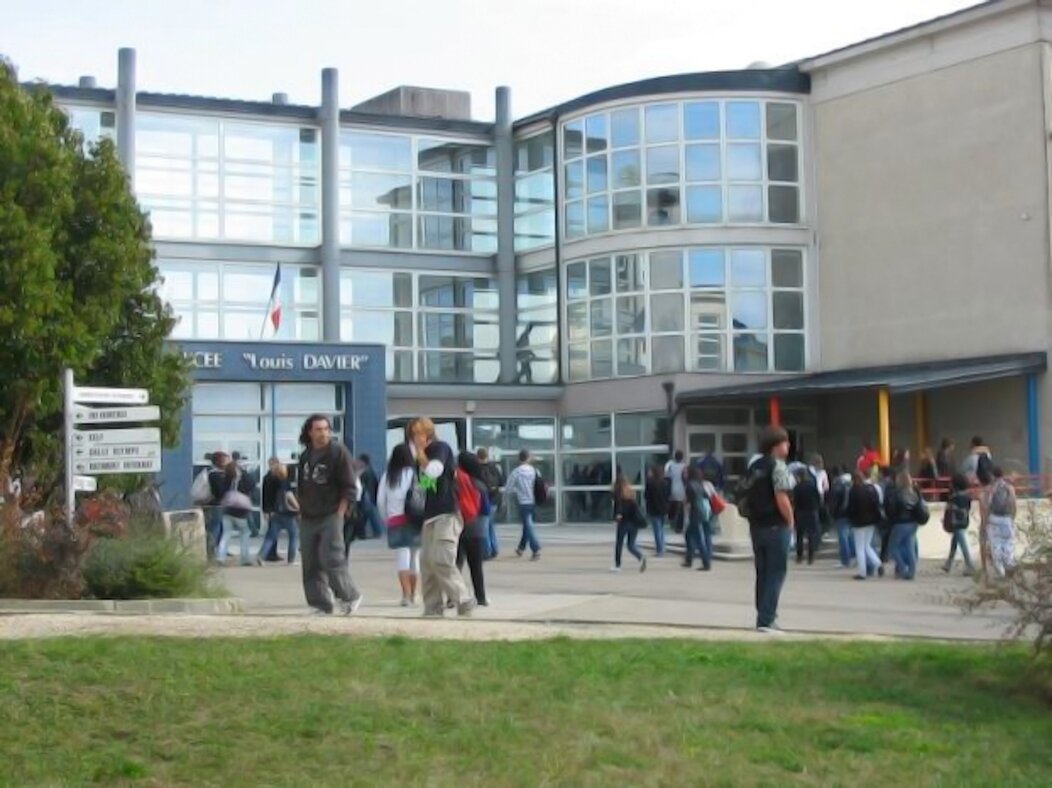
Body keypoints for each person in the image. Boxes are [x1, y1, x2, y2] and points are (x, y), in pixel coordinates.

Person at [406, 417, 475, 617]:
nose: (415, 438)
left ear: (428, 433)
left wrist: (420, 454)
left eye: (418, 433)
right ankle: (433, 607)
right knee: (427, 562)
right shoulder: (420, 457)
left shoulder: (440, 448)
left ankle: (463, 599)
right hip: (430, 515)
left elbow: (435, 472)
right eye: (413, 434)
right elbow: (427, 486)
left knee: (442, 559)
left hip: (447, 513)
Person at [296, 414, 363, 616]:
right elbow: (301, 485)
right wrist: (300, 509)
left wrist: (341, 511)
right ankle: (320, 604)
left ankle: (349, 596)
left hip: (331, 513)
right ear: (310, 432)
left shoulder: (338, 452)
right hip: (308, 515)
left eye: (326, 429)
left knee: (331, 558)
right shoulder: (306, 455)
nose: (323, 433)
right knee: (310, 561)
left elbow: (349, 485)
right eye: (318, 429)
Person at [741, 426, 795, 633]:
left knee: (762, 573)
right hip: (775, 525)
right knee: (776, 572)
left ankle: (762, 614)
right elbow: (782, 497)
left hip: (757, 526)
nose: (788, 445)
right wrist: (790, 521)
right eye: (785, 442)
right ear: (776, 446)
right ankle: (767, 618)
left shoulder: (754, 467)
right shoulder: (778, 466)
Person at [377, 443, 419, 607]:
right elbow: (432, 491)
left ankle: (405, 595)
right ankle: (415, 594)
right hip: (416, 519)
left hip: (396, 519)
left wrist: (386, 518)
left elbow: (380, 501)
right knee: (415, 557)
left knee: (403, 557)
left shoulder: (388, 475)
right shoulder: (418, 474)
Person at [456, 452, 490, 605]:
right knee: (476, 567)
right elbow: (486, 510)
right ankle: (481, 597)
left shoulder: (456, 482)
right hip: (475, 529)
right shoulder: (480, 485)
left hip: (456, 527)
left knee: (455, 565)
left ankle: (453, 597)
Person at [257, 457, 299, 566]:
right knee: (293, 536)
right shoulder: (285, 482)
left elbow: (265, 495)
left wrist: (266, 510)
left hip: (275, 512)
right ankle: (291, 560)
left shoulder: (267, 478)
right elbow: (289, 496)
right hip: (288, 513)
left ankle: (261, 556)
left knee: (271, 536)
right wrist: (298, 507)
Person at [885, 470, 927, 580]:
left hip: (900, 523)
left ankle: (902, 568)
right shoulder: (914, 492)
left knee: (893, 547)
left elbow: (893, 510)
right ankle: (911, 572)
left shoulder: (897, 494)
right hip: (913, 523)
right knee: (910, 547)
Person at [216, 460, 256, 566]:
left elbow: (221, 493)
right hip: (240, 512)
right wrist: (244, 471)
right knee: (245, 533)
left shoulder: (226, 479)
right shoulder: (242, 479)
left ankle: (221, 557)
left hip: (227, 511)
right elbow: (252, 484)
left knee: (226, 534)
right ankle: (245, 558)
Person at [504, 449, 542, 560]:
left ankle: (536, 549)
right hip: (533, 501)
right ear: (528, 458)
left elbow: (508, 487)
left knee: (528, 525)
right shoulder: (535, 471)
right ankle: (521, 548)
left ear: (519, 458)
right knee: (527, 525)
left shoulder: (516, 472)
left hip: (523, 501)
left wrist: (505, 500)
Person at [847, 470, 884, 580]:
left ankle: (862, 572)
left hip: (859, 522)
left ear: (854, 480)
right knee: (867, 545)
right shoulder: (871, 489)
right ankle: (878, 564)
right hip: (871, 521)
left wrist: (850, 519)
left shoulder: (854, 491)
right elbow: (876, 505)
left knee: (859, 547)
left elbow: (851, 508)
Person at [982, 467, 1017, 579]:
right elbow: (1013, 503)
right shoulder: (1009, 488)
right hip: (1007, 518)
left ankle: (1001, 572)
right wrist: (1012, 517)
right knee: (1008, 543)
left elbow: (986, 506)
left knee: (995, 545)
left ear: (992, 476)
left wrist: (985, 522)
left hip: (994, 519)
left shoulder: (990, 489)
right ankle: (1009, 566)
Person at [611, 471, 647, 573]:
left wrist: (617, 517)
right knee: (631, 545)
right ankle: (640, 557)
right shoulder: (631, 495)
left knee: (619, 544)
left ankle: (618, 565)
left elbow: (619, 511)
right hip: (634, 524)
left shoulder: (618, 496)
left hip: (624, 523)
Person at [942, 473, 975, 576]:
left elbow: (949, 508)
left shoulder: (954, 497)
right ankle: (949, 563)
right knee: (955, 542)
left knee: (962, 543)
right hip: (964, 520)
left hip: (955, 521)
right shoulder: (967, 496)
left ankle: (969, 565)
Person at [683, 465, 714, 571]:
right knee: (689, 535)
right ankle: (689, 559)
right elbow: (706, 496)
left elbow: (688, 501)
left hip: (694, 512)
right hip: (703, 512)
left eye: (686, 472)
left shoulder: (689, 485)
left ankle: (705, 562)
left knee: (697, 538)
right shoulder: (700, 484)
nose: (684, 474)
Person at [477, 447, 504, 559]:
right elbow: (502, 482)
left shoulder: (477, 469)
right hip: (495, 499)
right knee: (490, 525)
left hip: (484, 500)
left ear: (477, 457)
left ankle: (487, 551)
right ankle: (494, 548)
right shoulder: (494, 467)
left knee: (484, 526)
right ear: (487, 456)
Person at [203, 451, 230, 559]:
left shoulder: (214, 473)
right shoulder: (214, 474)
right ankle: (210, 553)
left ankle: (217, 551)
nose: (228, 463)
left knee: (220, 529)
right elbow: (219, 492)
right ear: (220, 461)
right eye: (226, 460)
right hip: (216, 506)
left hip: (217, 505)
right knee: (215, 529)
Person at [792, 467, 822, 565]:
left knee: (799, 535)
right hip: (812, 511)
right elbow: (818, 498)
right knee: (811, 535)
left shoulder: (797, 487)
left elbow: (794, 500)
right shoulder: (812, 485)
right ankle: (811, 557)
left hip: (800, 512)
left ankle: (799, 556)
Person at [828, 466, 855, 568]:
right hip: (850, 514)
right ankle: (853, 557)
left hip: (841, 514)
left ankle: (845, 560)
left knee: (843, 538)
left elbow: (834, 502)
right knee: (850, 537)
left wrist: (832, 513)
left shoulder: (838, 486)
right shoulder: (850, 483)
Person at [357, 454, 385, 539]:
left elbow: (362, 486)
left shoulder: (364, 472)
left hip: (367, 498)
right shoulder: (371, 471)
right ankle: (370, 532)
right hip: (371, 497)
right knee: (369, 516)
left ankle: (365, 533)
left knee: (366, 516)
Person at [643, 464, 669, 556]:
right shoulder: (665, 483)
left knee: (657, 530)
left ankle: (659, 550)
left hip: (653, 509)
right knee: (661, 529)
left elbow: (646, 496)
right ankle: (663, 547)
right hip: (663, 508)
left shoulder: (650, 483)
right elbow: (667, 496)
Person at [664, 450, 688, 533]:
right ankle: (679, 527)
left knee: (673, 508)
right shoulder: (684, 467)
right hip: (682, 490)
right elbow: (686, 479)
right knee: (681, 509)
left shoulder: (671, 466)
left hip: (672, 489)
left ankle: (672, 524)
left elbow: (667, 478)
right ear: (682, 457)